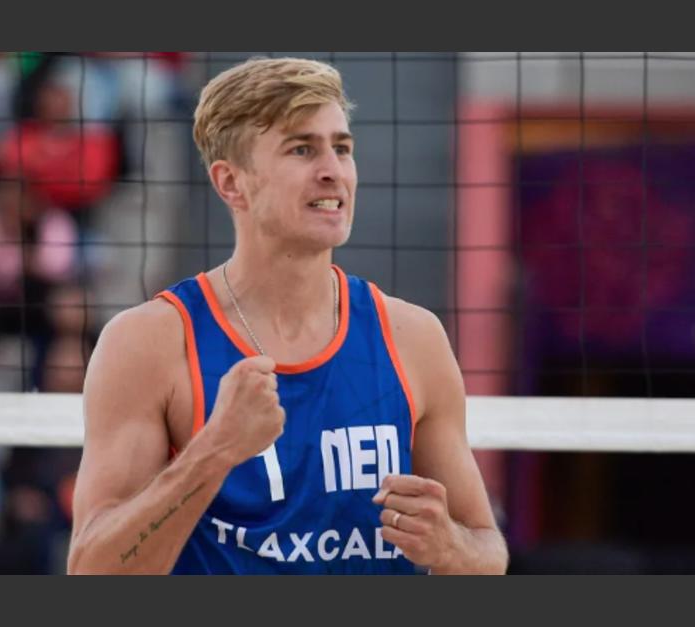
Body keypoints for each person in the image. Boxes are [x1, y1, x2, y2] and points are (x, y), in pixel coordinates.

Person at [67, 57, 507, 575]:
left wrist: (451, 548)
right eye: (302, 149)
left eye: (342, 148)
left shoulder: (413, 337)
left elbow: (488, 549)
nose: (333, 170)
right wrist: (214, 451)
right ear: (231, 183)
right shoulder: (151, 341)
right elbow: (94, 569)